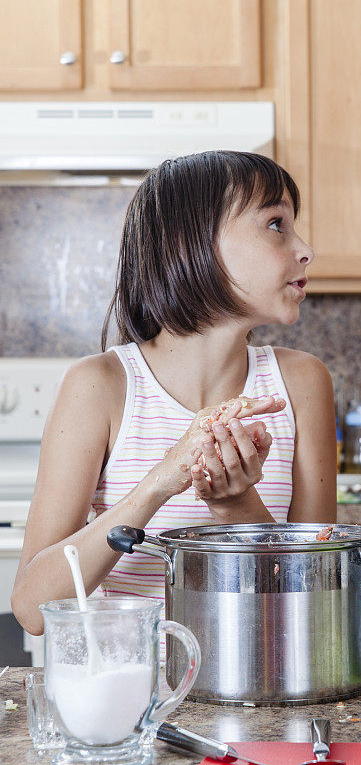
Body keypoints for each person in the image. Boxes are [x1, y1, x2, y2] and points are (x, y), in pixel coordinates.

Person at [13, 151, 337, 635]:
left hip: (262, 692)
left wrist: (236, 507)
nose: (305, 248)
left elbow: (319, 605)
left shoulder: (302, 382)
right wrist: (163, 478)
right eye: (275, 224)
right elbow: (34, 609)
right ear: (194, 244)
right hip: (129, 695)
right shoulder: (100, 386)